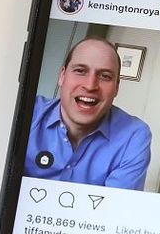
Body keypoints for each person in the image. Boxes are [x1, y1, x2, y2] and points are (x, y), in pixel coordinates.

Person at [24, 37, 152, 190]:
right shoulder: (28, 111)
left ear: (117, 87)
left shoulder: (134, 135)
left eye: (105, 76)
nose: (90, 85)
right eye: (80, 71)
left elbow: (115, 209)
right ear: (62, 76)